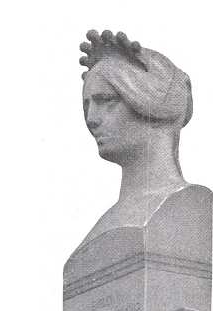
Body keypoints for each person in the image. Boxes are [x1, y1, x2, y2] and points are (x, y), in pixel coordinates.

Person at [79, 29, 193, 242]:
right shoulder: (106, 222)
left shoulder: (185, 205)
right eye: (87, 105)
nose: (91, 119)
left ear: (153, 105)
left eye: (106, 100)